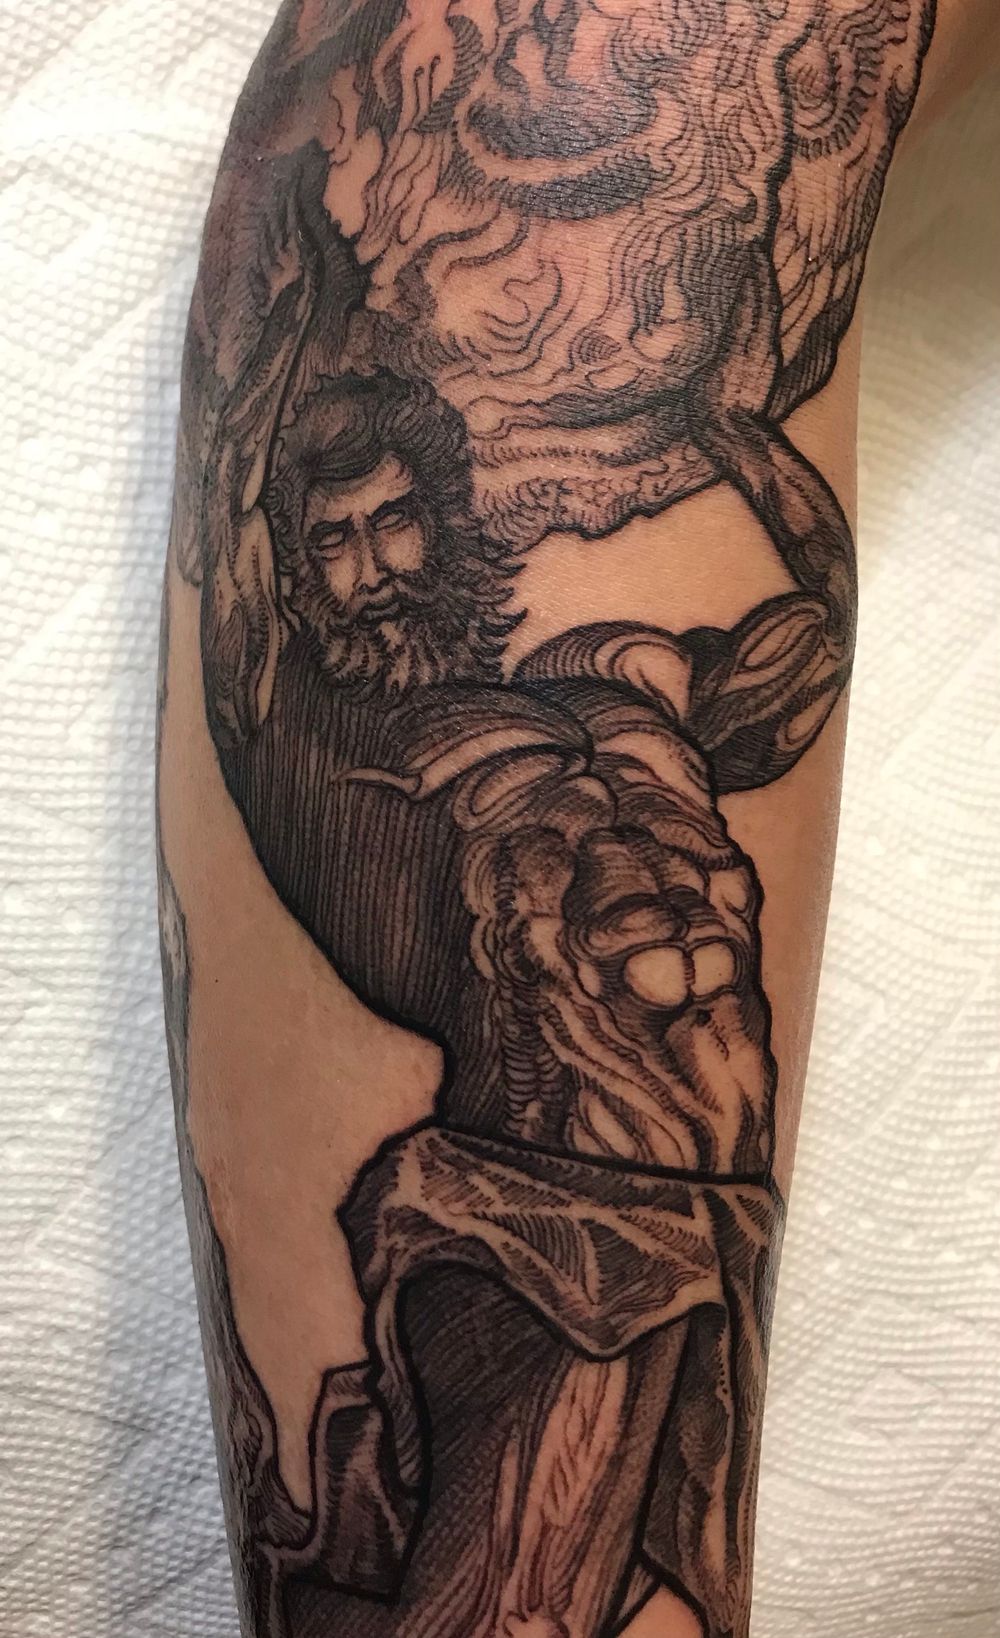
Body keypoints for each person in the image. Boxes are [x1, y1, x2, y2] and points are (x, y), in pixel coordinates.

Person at [158, 2, 998, 1635]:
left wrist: (742, 455)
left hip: (681, 1222)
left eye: (396, 524)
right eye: (335, 543)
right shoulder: (333, 747)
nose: (370, 570)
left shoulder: (602, 682)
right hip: (527, 1249)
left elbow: (783, 653)